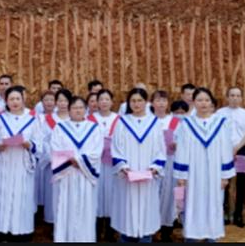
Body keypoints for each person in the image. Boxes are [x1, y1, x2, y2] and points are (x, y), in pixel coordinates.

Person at [174, 87, 236, 242]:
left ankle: (211, 237)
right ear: (193, 102)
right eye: (200, 100)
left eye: (207, 100)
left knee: (214, 203)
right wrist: (182, 176)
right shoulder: (186, 124)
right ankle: (192, 238)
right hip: (193, 173)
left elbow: (226, 150)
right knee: (192, 204)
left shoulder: (221, 123)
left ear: (212, 102)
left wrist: (225, 175)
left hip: (214, 173)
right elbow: (181, 150)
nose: (203, 103)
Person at [110, 87, 165, 242]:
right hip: (128, 178)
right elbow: (116, 148)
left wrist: (154, 168)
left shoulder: (154, 123)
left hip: (148, 177)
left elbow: (160, 149)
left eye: (140, 100)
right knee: (127, 213)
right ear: (128, 103)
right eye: (133, 101)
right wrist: (124, 168)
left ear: (146, 102)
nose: (136, 104)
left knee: (146, 215)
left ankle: (145, 238)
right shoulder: (122, 122)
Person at [0, 86, 41, 242]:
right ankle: (0, 230)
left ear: (23, 100)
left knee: (22, 196)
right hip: (4, 162)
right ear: (6, 101)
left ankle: (22, 231)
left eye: (18, 98)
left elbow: (40, 144)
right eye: (11, 99)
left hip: (22, 164)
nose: (15, 102)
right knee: (2, 195)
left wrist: (29, 145)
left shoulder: (32, 120)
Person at [51, 95, 103, 243]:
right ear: (69, 110)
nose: (78, 110)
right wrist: (70, 160)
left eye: (81, 107)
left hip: (85, 175)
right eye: (74, 108)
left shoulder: (93, 128)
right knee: (66, 207)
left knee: (85, 209)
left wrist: (79, 160)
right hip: (66, 174)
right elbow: (55, 148)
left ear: (86, 109)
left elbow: (96, 152)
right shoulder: (60, 127)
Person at [216, 87, 245, 229]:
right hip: (223, 152)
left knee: (240, 182)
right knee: (224, 182)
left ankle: (238, 214)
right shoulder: (220, 113)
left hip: (241, 151)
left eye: (238, 95)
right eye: (232, 95)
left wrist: (236, 148)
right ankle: (224, 214)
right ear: (227, 97)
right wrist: (227, 149)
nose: (235, 98)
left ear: (241, 98)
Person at [41, 89, 71, 226]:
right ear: (55, 102)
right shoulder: (47, 120)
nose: (63, 104)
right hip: (54, 162)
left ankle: (68, 223)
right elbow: (43, 140)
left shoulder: (75, 118)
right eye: (60, 100)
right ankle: (53, 224)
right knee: (53, 193)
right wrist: (52, 155)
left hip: (72, 164)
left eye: (65, 100)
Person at [92, 89, 118, 242]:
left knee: (110, 196)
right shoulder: (89, 119)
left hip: (112, 164)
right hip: (95, 164)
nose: (104, 102)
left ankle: (109, 231)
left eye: (107, 99)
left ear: (112, 102)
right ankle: (94, 230)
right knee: (95, 196)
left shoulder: (119, 119)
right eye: (101, 99)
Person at [152, 90, 178, 242]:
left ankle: (167, 230)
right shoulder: (148, 121)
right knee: (152, 195)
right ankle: (152, 229)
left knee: (168, 196)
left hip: (170, 162)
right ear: (152, 103)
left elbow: (184, 141)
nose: (161, 103)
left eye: (164, 100)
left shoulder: (175, 121)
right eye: (158, 100)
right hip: (152, 164)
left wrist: (177, 144)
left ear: (168, 103)